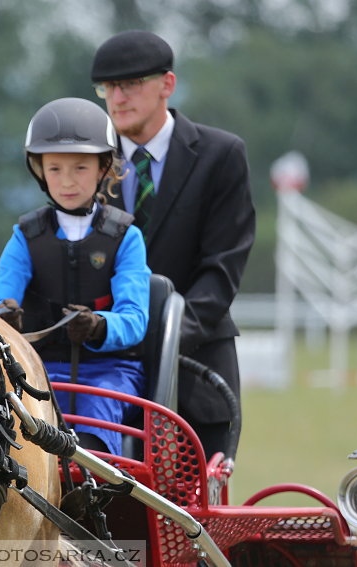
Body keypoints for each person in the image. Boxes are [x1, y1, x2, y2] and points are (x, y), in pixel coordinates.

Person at [90, 30, 256, 460]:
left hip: (197, 376)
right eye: (108, 87)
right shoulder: (84, 164)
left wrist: (156, 337)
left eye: (130, 84)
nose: (117, 97)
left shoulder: (221, 155)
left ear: (167, 84)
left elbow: (222, 270)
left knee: (187, 523)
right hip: (101, 382)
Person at [0, 97, 150, 456]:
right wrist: (2, 315)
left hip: (111, 372)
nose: (67, 181)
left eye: (80, 168)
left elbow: (135, 319)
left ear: (104, 167)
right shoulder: (24, 236)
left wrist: (97, 327)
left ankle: (93, 487)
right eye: (55, 168)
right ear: (39, 170)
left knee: (95, 415)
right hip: (37, 370)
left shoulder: (126, 237)